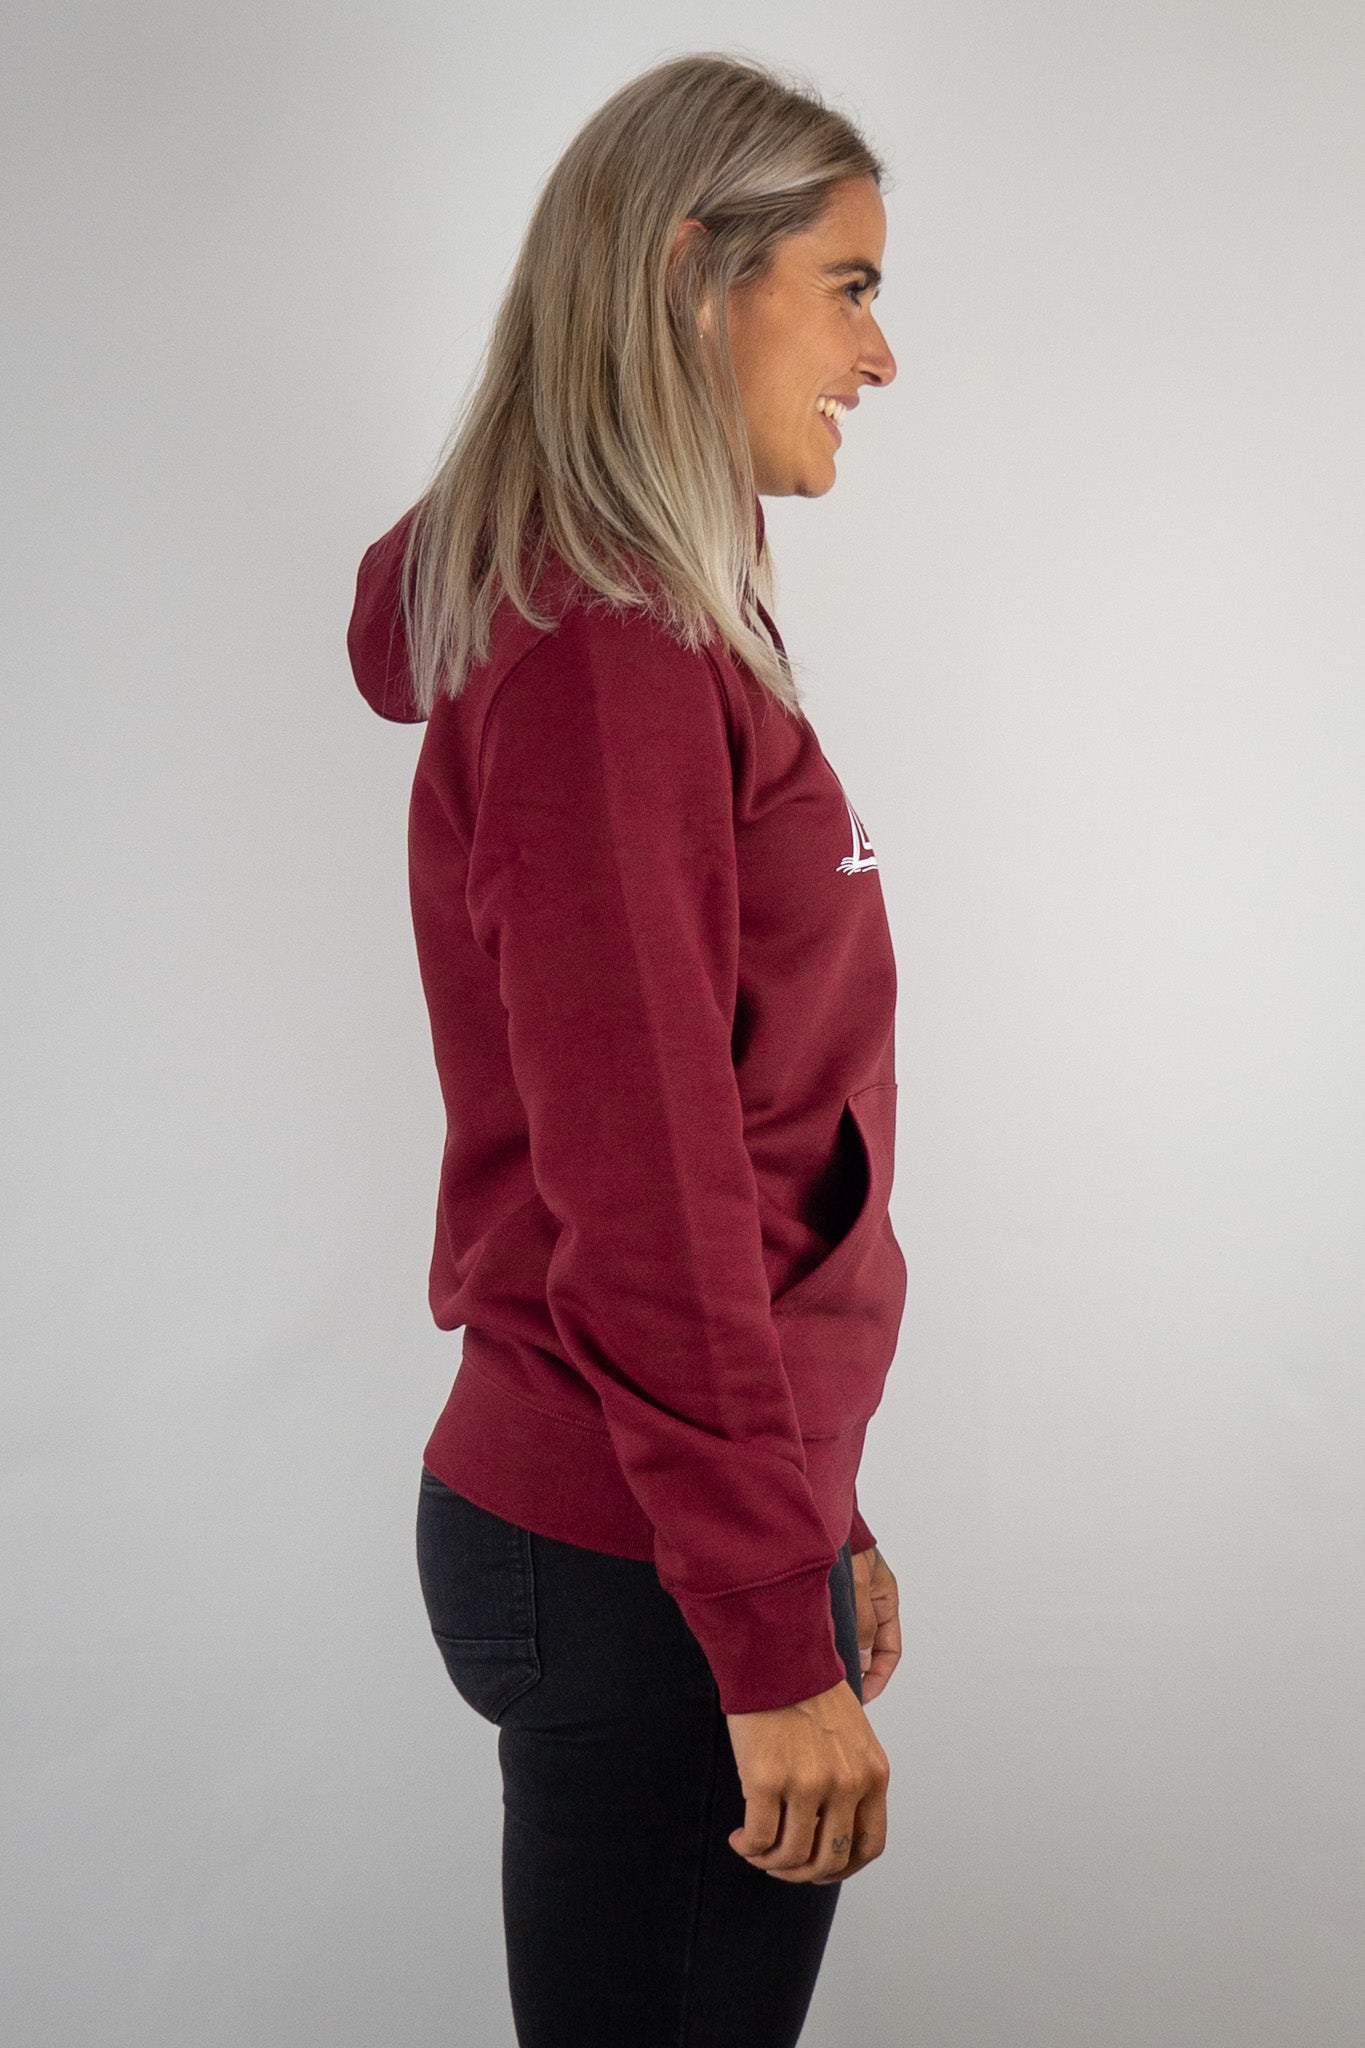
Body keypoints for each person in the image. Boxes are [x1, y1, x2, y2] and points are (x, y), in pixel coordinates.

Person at [347, 50, 906, 2048]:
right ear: (691, 275)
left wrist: (817, 1509)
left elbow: (757, 1133)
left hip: (682, 1519)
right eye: (846, 287)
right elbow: (649, 1179)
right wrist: (761, 1616)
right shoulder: (607, 645)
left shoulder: (661, 607)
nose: (879, 355)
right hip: (632, 1552)